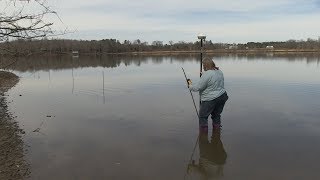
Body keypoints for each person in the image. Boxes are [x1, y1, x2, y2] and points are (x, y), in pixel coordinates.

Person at [187, 58, 228, 132]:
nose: (203, 66)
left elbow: (197, 88)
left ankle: (203, 137)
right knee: (216, 115)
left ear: (206, 65)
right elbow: (212, 77)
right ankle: (217, 132)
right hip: (222, 96)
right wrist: (204, 75)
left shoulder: (207, 74)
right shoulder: (219, 71)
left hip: (210, 99)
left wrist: (190, 85)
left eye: (203, 65)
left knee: (203, 117)